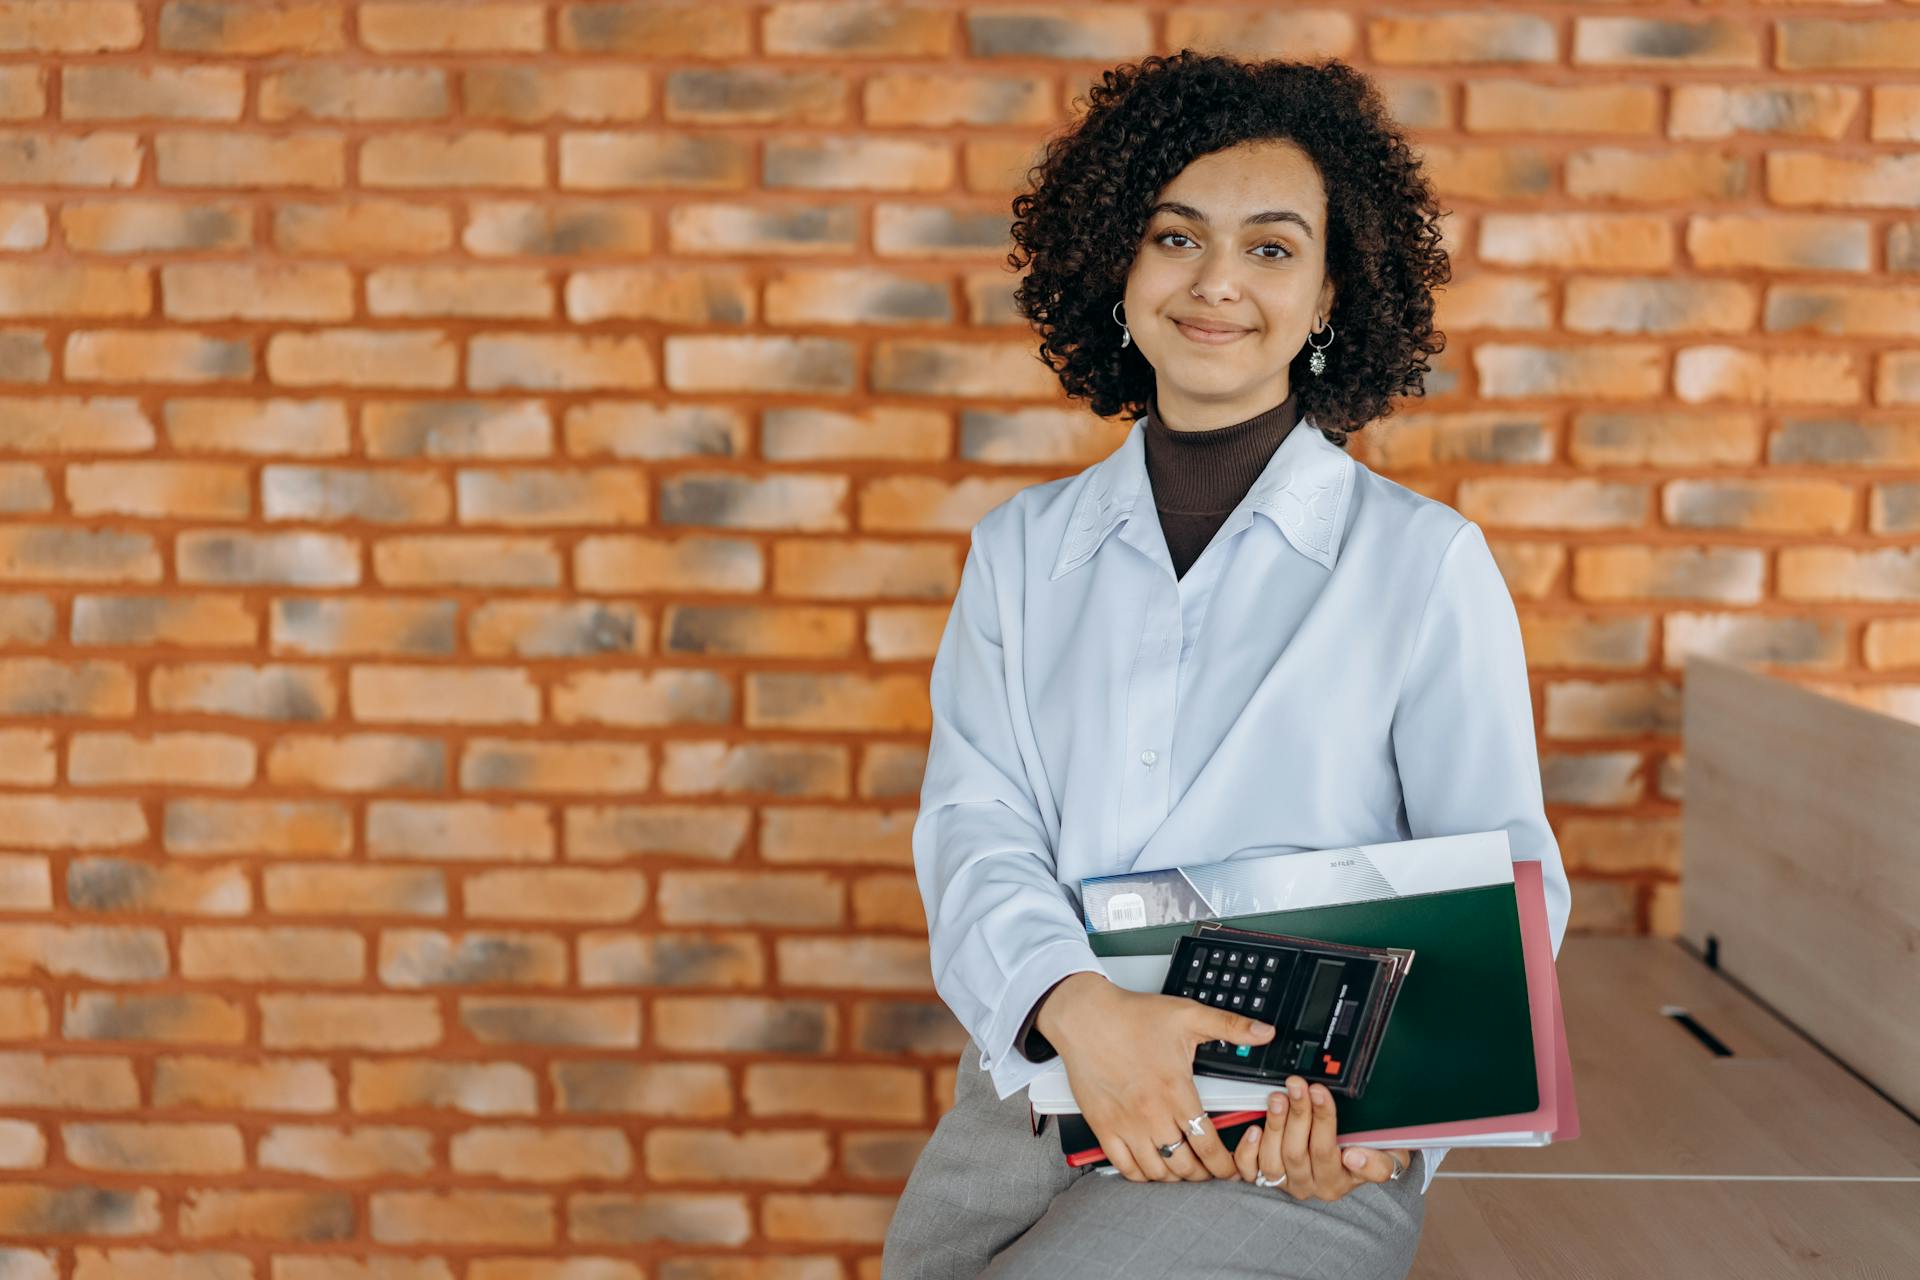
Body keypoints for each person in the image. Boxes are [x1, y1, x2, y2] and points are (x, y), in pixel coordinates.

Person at [882, 50, 1571, 1280]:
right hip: (1036, 1097)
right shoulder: (1019, 554)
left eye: (1270, 247)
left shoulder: (1422, 563)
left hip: (1288, 1143)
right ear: (1120, 268)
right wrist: (1078, 1011)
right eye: (1176, 236)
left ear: (1327, 295)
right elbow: (975, 826)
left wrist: (1379, 1125)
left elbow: (1511, 881)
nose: (1216, 284)